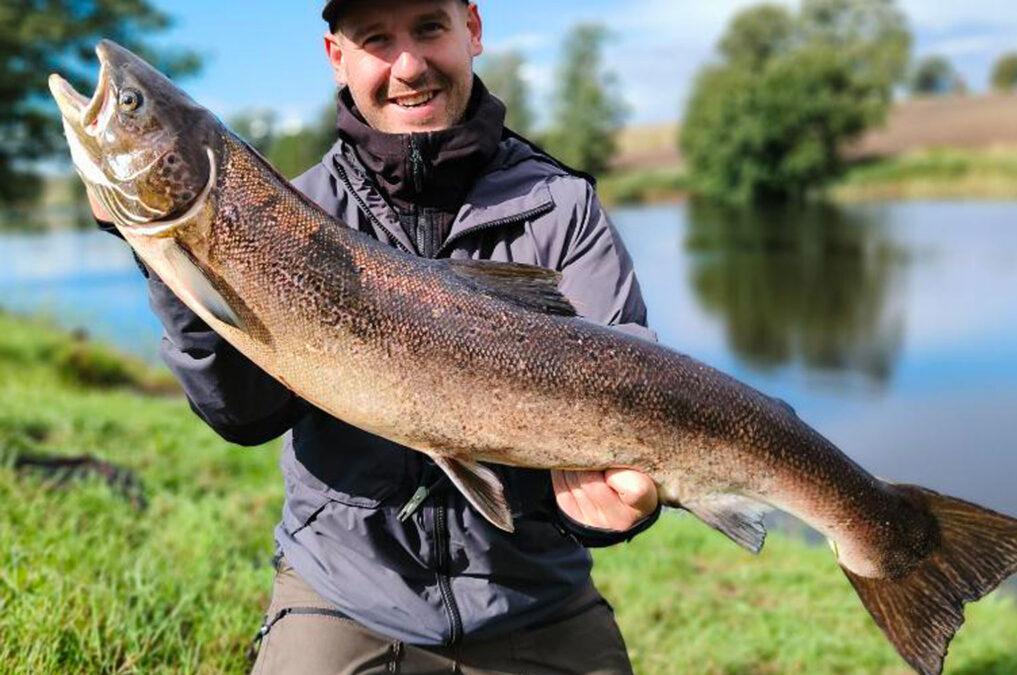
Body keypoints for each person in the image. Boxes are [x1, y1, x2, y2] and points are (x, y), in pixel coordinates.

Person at [90, 1, 661, 673]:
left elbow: (646, 399)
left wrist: (600, 503)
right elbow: (243, 414)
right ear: (338, 57)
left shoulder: (562, 206)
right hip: (344, 593)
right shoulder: (290, 216)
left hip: (535, 593)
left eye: (429, 28)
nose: (409, 66)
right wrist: (168, 253)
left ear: (473, 29)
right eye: (376, 39)